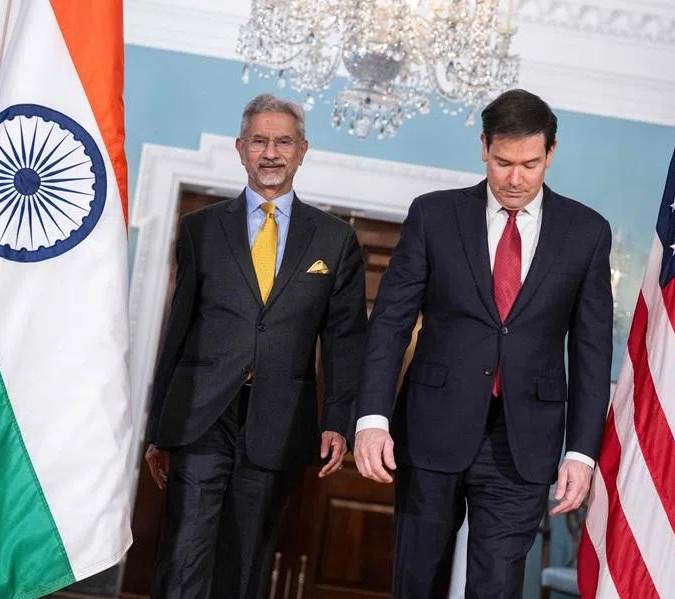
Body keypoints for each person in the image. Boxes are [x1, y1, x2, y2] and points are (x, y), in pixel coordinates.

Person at [354, 88, 613, 598]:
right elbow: (390, 323)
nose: (516, 179)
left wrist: (582, 452)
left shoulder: (586, 233)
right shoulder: (434, 216)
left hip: (523, 443)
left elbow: (591, 351)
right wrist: (372, 419)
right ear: (482, 148)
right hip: (430, 429)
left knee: (496, 585)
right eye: (503, 162)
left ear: (551, 154)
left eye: (530, 164)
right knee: (416, 579)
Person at [144, 93, 367, 599]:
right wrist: (159, 426)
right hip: (203, 414)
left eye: (283, 141)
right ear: (241, 148)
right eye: (260, 141)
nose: (271, 152)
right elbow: (176, 331)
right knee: (182, 553)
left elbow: (345, 339)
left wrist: (338, 419)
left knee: (246, 562)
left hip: (280, 420)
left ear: (302, 150)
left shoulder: (335, 240)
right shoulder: (200, 229)